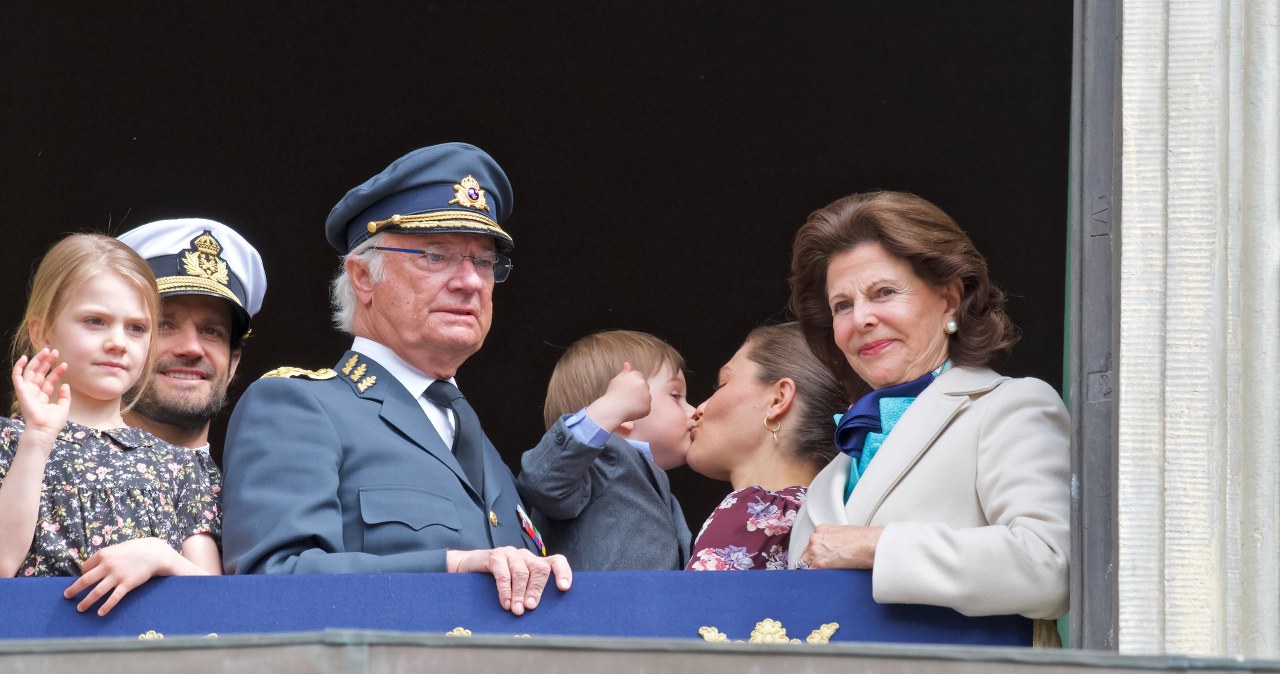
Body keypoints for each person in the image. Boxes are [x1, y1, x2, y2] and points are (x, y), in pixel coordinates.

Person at [221, 142, 570, 615]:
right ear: (363, 277)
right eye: (435, 256)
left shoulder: (474, 440)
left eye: (483, 261)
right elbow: (274, 582)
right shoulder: (296, 406)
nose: (469, 281)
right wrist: (452, 566)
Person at [785, 191, 1069, 637]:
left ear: (950, 300)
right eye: (842, 305)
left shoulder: (1008, 405)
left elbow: (1051, 565)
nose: (861, 318)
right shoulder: (836, 470)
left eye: (884, 293)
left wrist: (878, 546)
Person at [0, 234, 221, 616]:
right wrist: (36, 439)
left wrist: (160, 557)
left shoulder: (183, 465)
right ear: (41, 332)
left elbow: (217, 607)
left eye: (136, 328)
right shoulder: (11, 441)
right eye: (95, 321)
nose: (118, 342)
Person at [517, 330, 694, 570]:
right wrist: (609, 409)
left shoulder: (655, 482)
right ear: (627, 411)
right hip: (602, 607)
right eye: (676, 396)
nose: (692, 410)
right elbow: (542, 481)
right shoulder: (598, 459)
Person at [683, 323, 847, 571]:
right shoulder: (840, 521)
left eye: (722, 384)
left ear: (778, 399)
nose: (699, 410)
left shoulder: (753, 512)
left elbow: (696, 607)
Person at [117, 219, 266, 454]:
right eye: (164, 325)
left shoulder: (251, 489)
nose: (191, 348)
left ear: (233, 362)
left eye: (212, 331)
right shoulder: (47, 473)